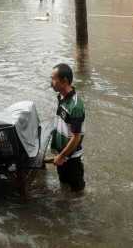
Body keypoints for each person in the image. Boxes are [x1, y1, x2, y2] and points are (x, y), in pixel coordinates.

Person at [50, 63, 86, 192]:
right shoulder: (61, 96)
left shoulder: (76, 106)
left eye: (53, 79)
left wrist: (62, 156)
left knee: (77, 192)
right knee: (64, 185)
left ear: (64, 81)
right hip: (61, 154)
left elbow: (77, 137)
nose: (51, 82)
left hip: (71, 157)